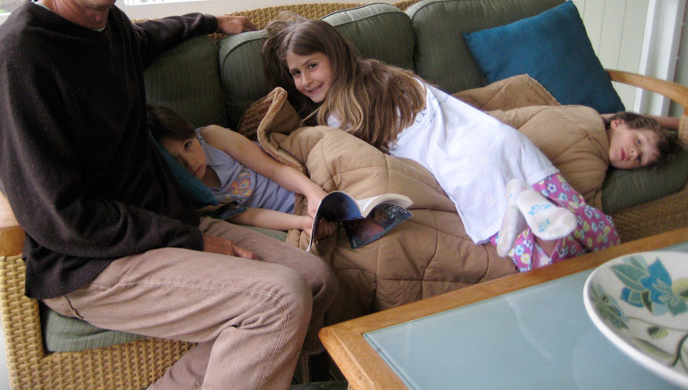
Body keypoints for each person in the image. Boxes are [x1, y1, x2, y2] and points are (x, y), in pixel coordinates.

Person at [0, 0, 337, 390]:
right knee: (278, 296)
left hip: (160, 224)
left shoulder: (108, 26)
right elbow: (64, 221)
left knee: (317, 279)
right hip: (90, 262)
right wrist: (192, 240)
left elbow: (145, 37)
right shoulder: (20, 62)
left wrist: (207, 21)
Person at [261, 18, 628, 271]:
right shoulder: (390, 76)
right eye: (296, 72)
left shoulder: (338, 115)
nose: (305, 80)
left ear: (336, 58)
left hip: (467, 168)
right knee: (601, 234)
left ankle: (523, 210)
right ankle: (536, 207)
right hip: (502, 139)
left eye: (312, 66)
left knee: (550, 264)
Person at [147, 104, 336, 238]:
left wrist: (312, 192)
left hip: (300, 182)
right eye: (175, 161)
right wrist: (302, 223)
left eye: (188, 145)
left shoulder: (212, 137)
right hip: (287, 217)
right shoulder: (194, 197)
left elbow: (275, 169)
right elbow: (250, 215)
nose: (189, 162)